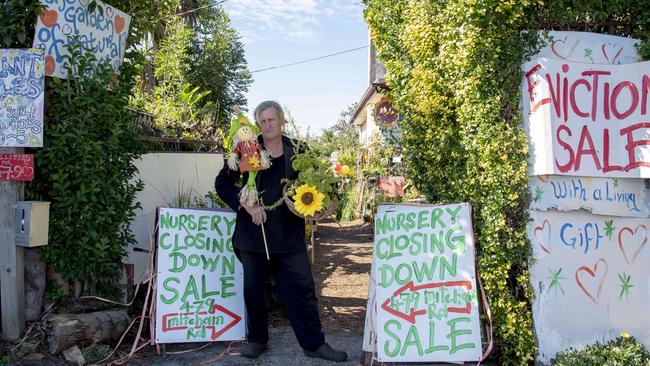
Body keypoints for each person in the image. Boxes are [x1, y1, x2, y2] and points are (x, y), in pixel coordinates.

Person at [215, 101, 348, 362]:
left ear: (282, 121)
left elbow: (316, 183)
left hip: (289, 234)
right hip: (254, 234)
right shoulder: (247, 148)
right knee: (254, 290)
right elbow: (222, 183)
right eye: (262, 121)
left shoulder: (298, 149)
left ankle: (314, 344)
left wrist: (326, 204)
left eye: (271, 120)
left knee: (303, 289)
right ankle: (257, 340)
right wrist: (245, 204)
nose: (266, 126)